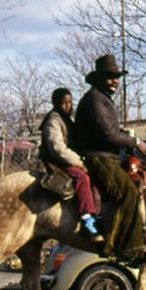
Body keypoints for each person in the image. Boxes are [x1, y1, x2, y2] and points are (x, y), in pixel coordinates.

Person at [74, 55, 146, 265]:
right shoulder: (94, 100)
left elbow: (110, 130)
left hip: (108, 155)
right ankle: (123, 248)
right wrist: (135, 141)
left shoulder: (102, 99)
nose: (115, 81)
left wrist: (124, 133)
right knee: (128, 193)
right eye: (110, 77)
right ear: (99, 78)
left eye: (117, 77)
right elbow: (108, 136)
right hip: (99, 158)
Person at [39, 87, 103, 242]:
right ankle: (86, 219)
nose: (68, 106)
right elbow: (57, 148)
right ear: (55, 103)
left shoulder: (67, 119)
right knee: (82, 177)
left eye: (70, 102)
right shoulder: (53, 121)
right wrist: (79, 163)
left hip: (67, 158)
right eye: (64, 103)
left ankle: (99, 214)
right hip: (57, 161)